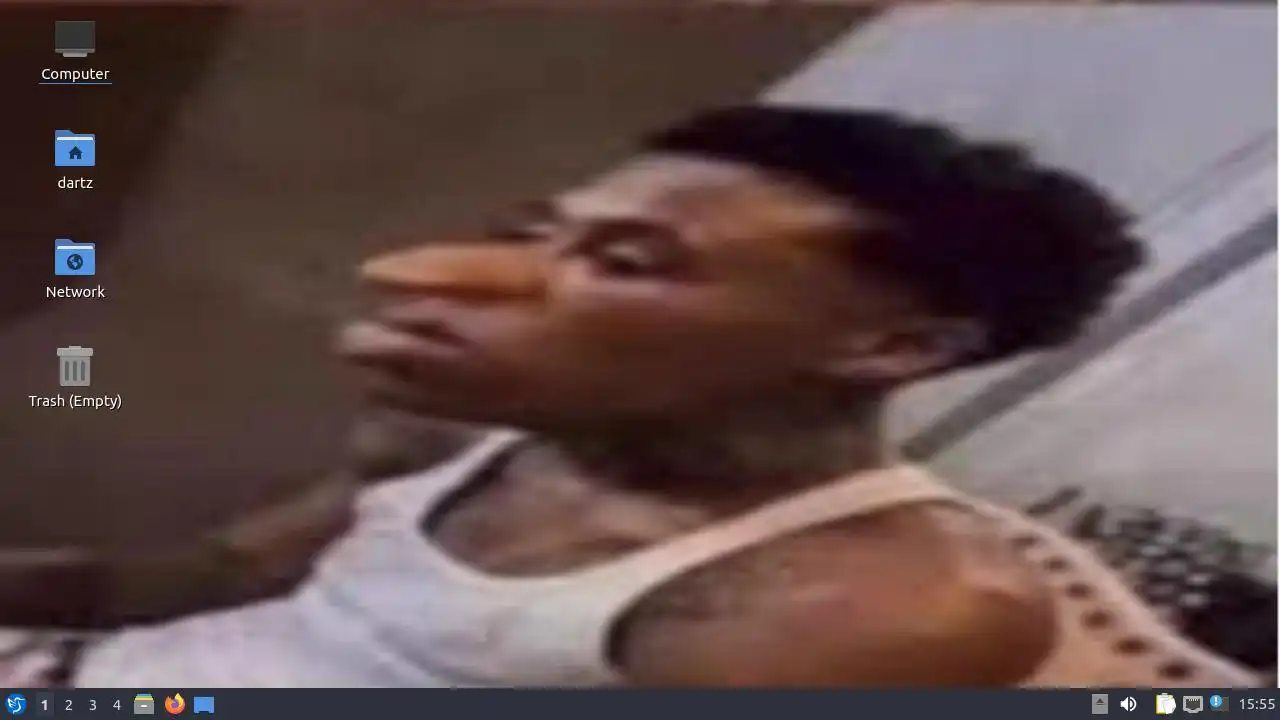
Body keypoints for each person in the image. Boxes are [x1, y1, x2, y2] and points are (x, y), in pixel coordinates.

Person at [73, 106, 1262, 687]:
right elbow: (212, 577)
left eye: (627, 261)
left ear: (890, 346)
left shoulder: (876, 613)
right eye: (536, 234)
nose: (458, 278)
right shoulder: (464, 423)